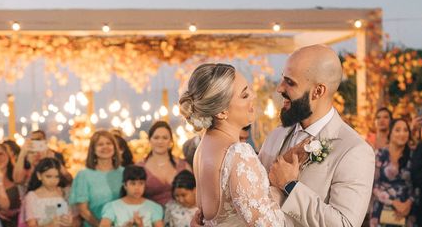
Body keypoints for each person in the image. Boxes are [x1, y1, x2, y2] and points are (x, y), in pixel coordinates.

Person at [259, 44, 375, 227]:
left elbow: (345, 224)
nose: (279, 88)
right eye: (283, 79)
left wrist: (290, 186)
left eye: (290, 82)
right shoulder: (275, 136)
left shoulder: (355, 151)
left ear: (318, 91)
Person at [179, 62, 286, 226]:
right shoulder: (238, 153)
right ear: (222, 112)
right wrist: (283, 187)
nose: (254, 96)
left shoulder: (201, 149)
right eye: (244, 95)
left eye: (249, 89)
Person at [69, 129, 124, 226]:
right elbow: (83, 210)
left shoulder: (124, 173)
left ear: (115, 148)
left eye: (108, 143)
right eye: (100, 144)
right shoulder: (84, 175)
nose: (105, 147)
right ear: (93, 150)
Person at [370, 118, 415, 227]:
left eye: (405, 130)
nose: (402, 134)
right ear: (390, 132)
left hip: (406, 210)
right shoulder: (379, 154)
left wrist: (408, 204)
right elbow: (373, 185)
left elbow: (418, 183)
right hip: (381, 209)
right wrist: (394, 202)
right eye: (398, 130)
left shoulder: (414, 155)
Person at [137, 121, 189, 206]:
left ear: (171, 141)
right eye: (156, 138)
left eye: (165, 138)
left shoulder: (183, 165)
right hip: (151, 216)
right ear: (149, 140)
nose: (160, 141)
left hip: (181, 215)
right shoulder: (139, 167)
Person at [99, 165, 164, 227]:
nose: (137, 188)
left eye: (141, 183)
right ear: (125, 185)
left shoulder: (154, 207)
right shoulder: (112, 207)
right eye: (133, 184)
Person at [22, 157, 74, 227]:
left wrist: (68, 223)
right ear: (39, 176)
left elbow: (65, 216)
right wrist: (50, 225)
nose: (53, 181)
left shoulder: (62, 192)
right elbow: (31, 224)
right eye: (48, 176)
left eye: (57, 177)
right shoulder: (32, 197)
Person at [0, 142, 22, 227]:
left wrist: (15, 211)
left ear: (8, 156)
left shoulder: (17, 177)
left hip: (15, 222)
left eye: (1, 154)